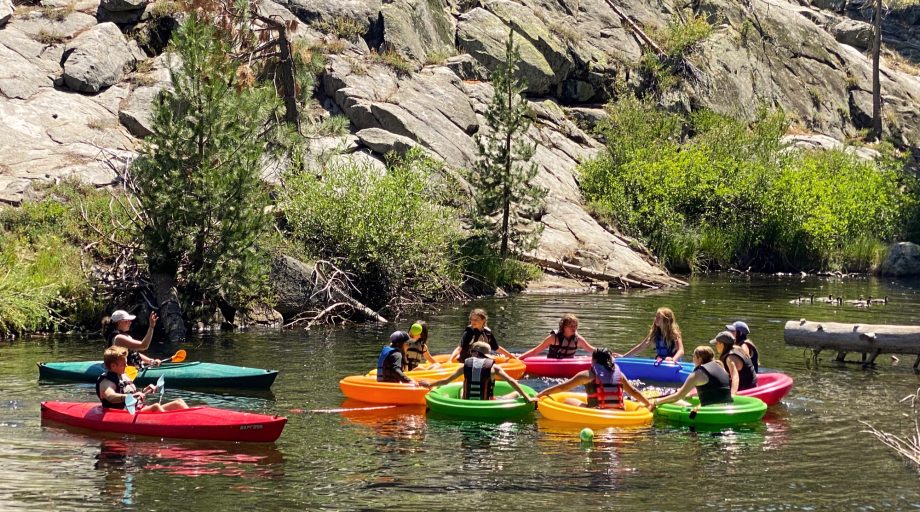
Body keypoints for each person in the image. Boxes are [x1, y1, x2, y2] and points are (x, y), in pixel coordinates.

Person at [536, 348, 651, 410]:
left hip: (596, 411)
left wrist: (541, 394)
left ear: (594, 361)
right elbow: (634, 391)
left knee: (567, 400)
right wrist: (648, 403)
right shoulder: (620, 375)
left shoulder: (587, 375)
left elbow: (562, 387)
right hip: (619, 412)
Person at [425, 341, 534, 402]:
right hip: (487, 403)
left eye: (472, 351)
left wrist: (429, 384)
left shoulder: (464, 366)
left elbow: (446, 381)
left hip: (467, 401)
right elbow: (511, 381)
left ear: (475, 353)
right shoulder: (494, 368)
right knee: (515, 393)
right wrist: (527, 397)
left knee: (462, 388)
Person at [96, 346, 188, 412]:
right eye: (124, 364)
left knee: (179, 402)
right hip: (123, 413)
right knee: (155, 407)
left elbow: (132, 394)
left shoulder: (123, 376)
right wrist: (129, 397)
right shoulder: (106, 382)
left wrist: (144, 390)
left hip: (137, 409)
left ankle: (196, 420)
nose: (127, 366)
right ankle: (178, 427)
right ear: (113, 366)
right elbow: (110, 396)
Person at [648, 346, 732, 411]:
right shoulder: (720, 366)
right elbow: (715, 388)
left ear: (699, 359)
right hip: (726, 407)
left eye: (694, 357)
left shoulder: (698, 373)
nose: (693, 360)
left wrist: (656, 402)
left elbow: (678, 396)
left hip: (709, 411)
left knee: (673, 401)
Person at [519, 314, 596, 360]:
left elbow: (591, 349)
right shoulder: (553, 338)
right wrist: (519, 359)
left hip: (569, 365)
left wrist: (606, 354)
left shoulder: (578, 339)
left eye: (575, 326)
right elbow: (535, 351)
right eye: (571, 326)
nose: (574, 328)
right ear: (563, 327)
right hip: (552, 364)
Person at [450, 308, 515, 362]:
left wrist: (511, 356)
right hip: (467, 360)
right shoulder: (469, 332)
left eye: (476, 320)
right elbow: (459, 348)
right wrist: (449, 361)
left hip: (482, 358)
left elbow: (496, 348)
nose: (473, 322)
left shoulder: (487, 332)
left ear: (483, 320)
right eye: (472, 320)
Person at [711, 330, 758, 395]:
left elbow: (735, 376)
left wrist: (732, 395)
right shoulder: (737, 348)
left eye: (716, 343)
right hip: (751, 384)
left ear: (722, 344)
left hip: (746, 389)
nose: (715, 346)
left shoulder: (730, 358)